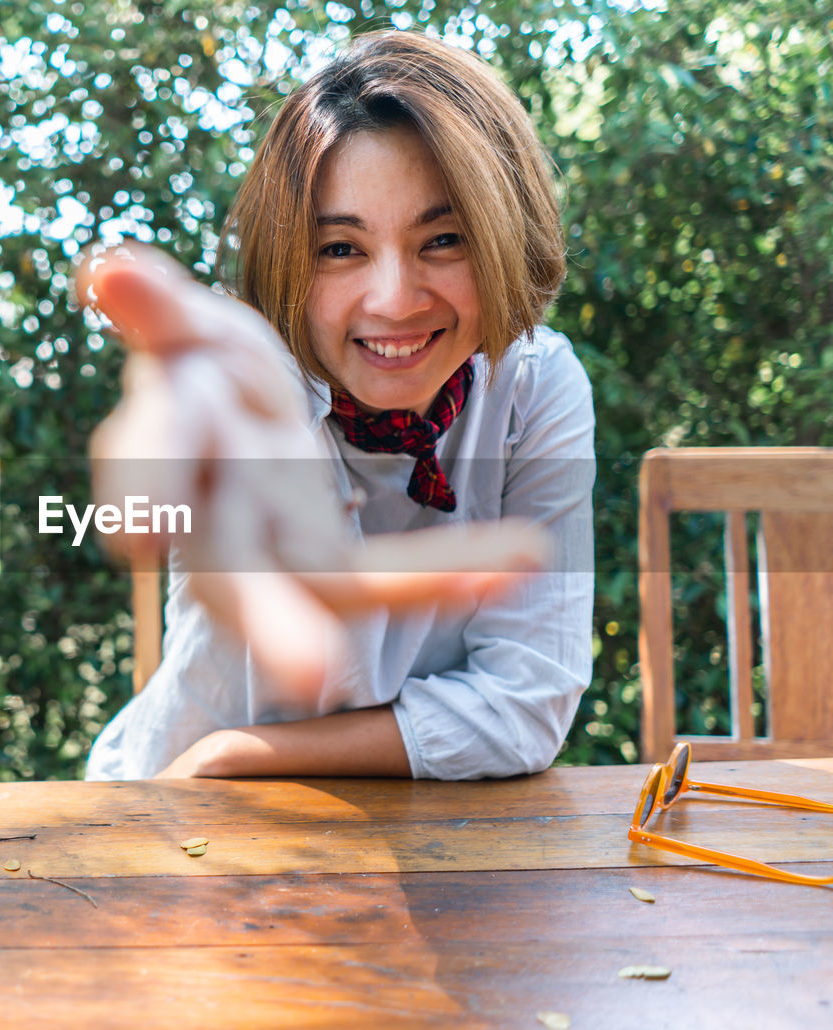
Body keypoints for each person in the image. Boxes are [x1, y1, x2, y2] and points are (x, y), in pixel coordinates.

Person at [77, 29, 595, 781]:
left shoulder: (536, 388)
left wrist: (235, 755)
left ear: (502, 239)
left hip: (401, 843)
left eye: (443, 239)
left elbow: (527, 705)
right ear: (290, 259)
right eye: (340, 249)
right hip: (165, 812)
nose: (393, 299)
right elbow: (211, 400)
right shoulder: (256, 376)